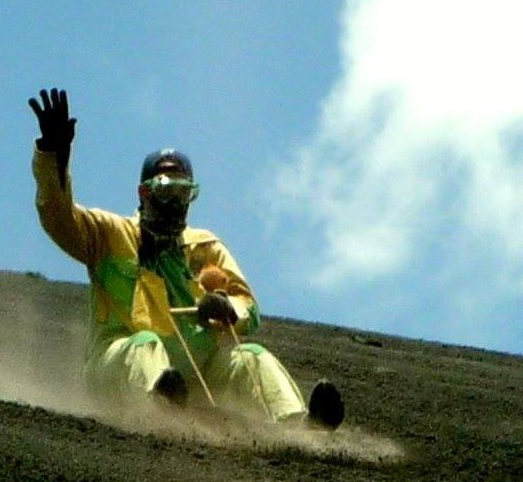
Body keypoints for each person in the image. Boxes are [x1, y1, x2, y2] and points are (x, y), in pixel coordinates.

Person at [28, 87, 344, 429]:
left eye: (183, 192)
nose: (175, 202)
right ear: (144, 193)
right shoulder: (109, 235)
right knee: (145, 344)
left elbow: (248, 307)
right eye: (166, 191)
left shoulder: (206, 247)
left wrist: (227, 308)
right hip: (117, 367)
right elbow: (58, 217)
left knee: (251, 356)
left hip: (194, 377)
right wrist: (53, 155)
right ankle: (155, 408)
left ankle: (300, 429)